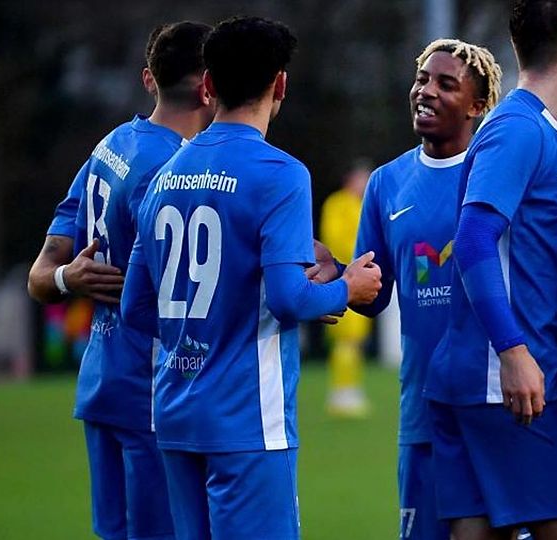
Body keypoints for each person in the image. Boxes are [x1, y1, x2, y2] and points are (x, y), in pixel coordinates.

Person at [120, 16, 382, 539]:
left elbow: (136, 308)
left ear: (208, 86)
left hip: (174, 415)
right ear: (280, 83)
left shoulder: (164, 174)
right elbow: (288, 299)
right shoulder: (280, 172)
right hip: (247, 422)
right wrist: (346, 288)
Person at [27, 21, 214, 540]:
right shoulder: (178, 170)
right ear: (209, 87)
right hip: (150, 392)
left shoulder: (111, 146)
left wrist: (67, 278)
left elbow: (41, 276)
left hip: (101, 385)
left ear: (148, 78)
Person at [423, 1, 557, 538]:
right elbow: (474, 241)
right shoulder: (519, 130)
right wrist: (514, 352)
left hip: (481, 380)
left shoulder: (537, 131)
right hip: (508, 384)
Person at [352, 38, 502, 540]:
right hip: (423, 413)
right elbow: (372, 298)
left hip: (500, 408)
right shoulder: (386, 183)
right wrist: (334, 275)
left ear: (478, 106)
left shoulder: (499, 173)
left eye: (446, 84)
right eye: (422, 79)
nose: (426, 91)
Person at [320, 160, 374, 417]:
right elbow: (334, 237)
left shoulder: (359, 204)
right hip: (343, 278)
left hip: (360, 278)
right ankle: (341, 392)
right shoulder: (337, 203)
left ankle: (350, 388)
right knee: (345, 341)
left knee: (355, 340)